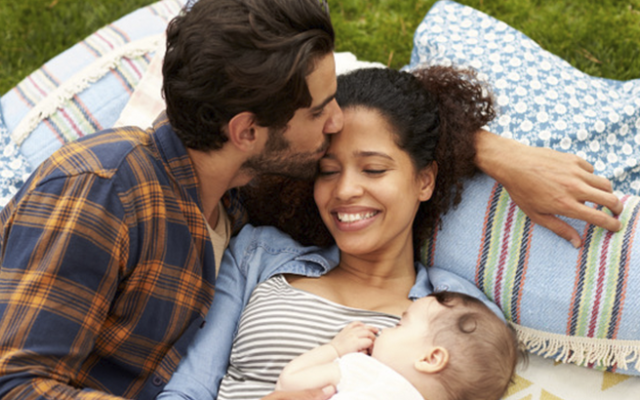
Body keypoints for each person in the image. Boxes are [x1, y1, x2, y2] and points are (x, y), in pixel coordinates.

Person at [0, 0, 622, 399]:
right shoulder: (98, 192)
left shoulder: (239, 196)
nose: (333, 123)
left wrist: (491, 151)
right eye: (321, 112)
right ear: (248, 132)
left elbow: (386, 125)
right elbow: (17, 384)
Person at [158, 65, 519, 400]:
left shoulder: (456, 312)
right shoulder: (258, 254)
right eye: (328, 171)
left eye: (374, 169)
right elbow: (188, 390)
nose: (345, 190)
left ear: (424, 180)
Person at [276, 292, 520, 400]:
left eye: (400, 325)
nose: (384, 329)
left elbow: (289, 382)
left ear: (430, 359)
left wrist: (337, 348)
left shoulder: (365, 371)